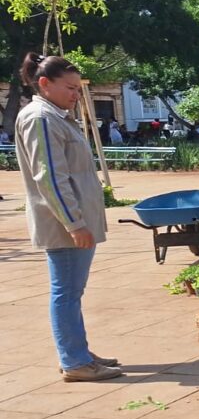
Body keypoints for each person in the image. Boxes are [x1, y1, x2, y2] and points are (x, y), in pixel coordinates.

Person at [15, 53, 121, 382]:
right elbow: (50, 177)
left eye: (78, 88)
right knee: (66, 292)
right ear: (44, 84)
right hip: (65, 224)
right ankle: (75, 361)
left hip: (74, 220)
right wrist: (74, 223)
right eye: (70, 88)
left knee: (71, 292)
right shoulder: (41, 118)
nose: (76, 94)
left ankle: (77, 352)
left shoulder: (55, 116)